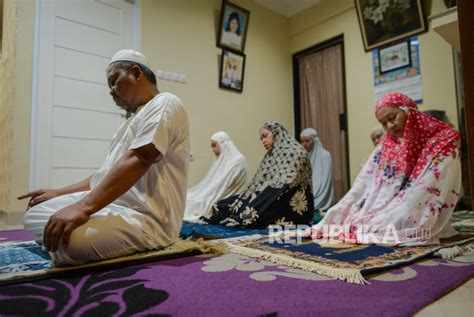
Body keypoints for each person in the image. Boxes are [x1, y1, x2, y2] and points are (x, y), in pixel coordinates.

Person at [19, 49, 190, 265]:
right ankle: (55, 239)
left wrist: (82, 208)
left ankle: (56, 241)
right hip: (111, 205)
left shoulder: (165, 103)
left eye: (114, 81)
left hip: (146, 218)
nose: (110, 90)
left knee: (70, 243)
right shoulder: (132, 121)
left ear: (136, 73)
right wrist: (57, 193)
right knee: (35, 212)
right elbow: (102, 177)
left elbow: (141, 158)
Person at [310, 92, 461, 246]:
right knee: (345, 214)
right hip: (390, 201)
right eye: (383, 123)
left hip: (419, 199)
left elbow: (435, 182)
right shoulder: (387, 143)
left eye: (392, 118)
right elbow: (364, 183)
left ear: (408, 110)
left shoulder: (443, 139)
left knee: (402, 217)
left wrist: (402, 202)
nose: (390, 126)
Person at [202, 121, 313, 228]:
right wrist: (252, 199)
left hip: (287, 202)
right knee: (222, 206)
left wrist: (256, 202)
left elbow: (284, 185)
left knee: (251, 213)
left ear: (276, 133)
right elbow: (257, 183)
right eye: (261, 139)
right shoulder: (271, 155)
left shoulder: (297, 152)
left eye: (265, 136)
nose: (263, 141)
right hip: (268, 194)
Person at [184, 132, 247, 221]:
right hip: (214, 192)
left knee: (196, 201)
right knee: (187, 197)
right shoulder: (221, 160)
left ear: (223, 144)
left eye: (214, 145)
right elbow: (212, 182)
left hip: (226, 198)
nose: (212, 149)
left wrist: (204, 195)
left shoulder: (237, 161)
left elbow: (221, 185)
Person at [300, 128, 334, 221]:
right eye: (302, 141)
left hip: (321, 201)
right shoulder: (302, 157)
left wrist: (314, 199)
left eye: (307, 141)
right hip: (306, 198)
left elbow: (325, 184)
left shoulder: (325, 155)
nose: (304, 144)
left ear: (314, 140)